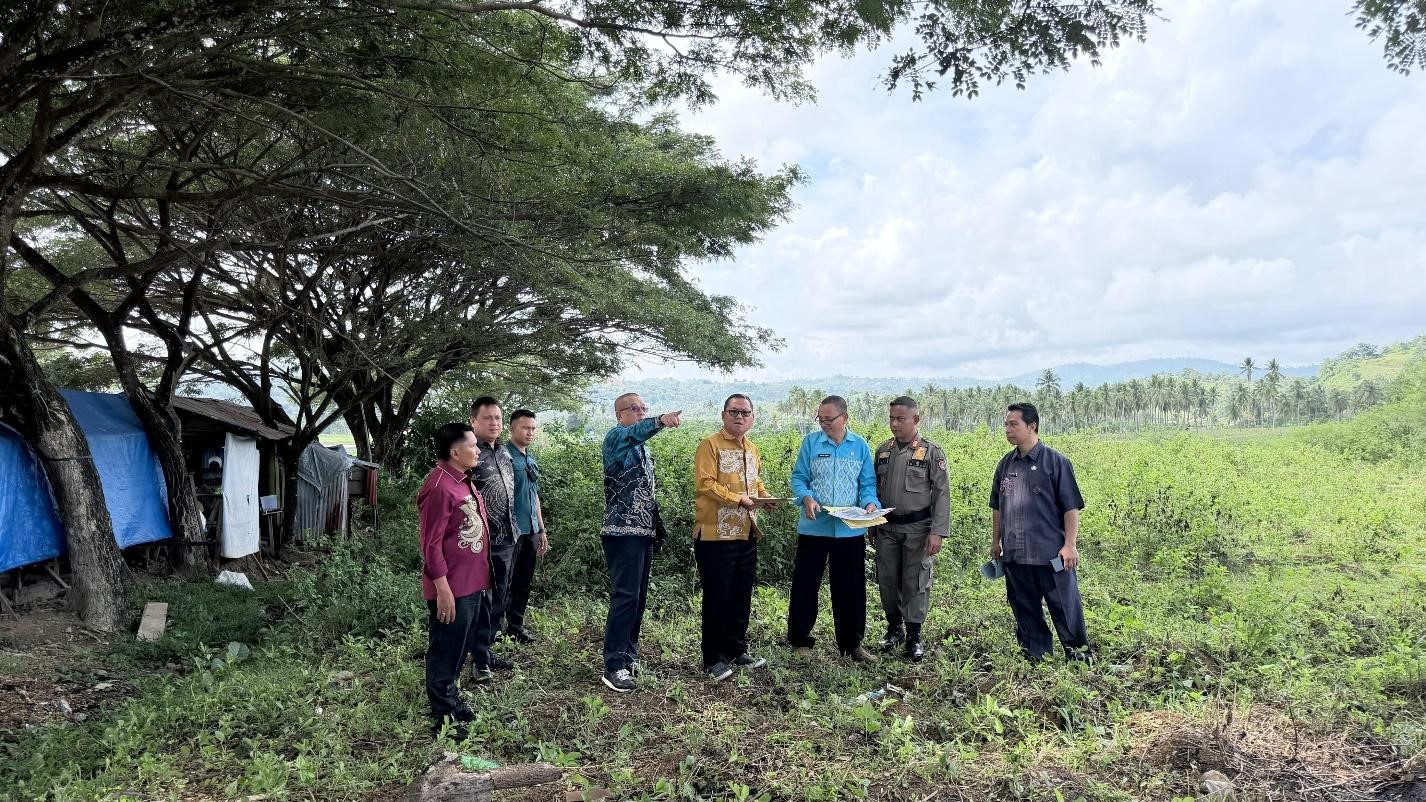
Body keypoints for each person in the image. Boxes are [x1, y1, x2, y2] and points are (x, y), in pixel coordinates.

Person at [989, 402, 1092, 662]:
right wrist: (996, 542)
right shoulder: (1005, 465)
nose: (1008, 430)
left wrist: (1070, 545)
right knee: (1025, 609)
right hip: (1015, 554)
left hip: (1051, 554)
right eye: (1006, 424)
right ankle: (1037, 659)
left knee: (1065, 608)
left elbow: (1071, 508)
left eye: (1014, 424)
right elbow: (998, 506)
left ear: (1032, 426)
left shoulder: (1056, 462)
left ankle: (1079, 659)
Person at [787, 395, 881, 662]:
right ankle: (800, 641)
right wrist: (806, 497)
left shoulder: (859, 446)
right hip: (814, 528)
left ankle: (852, 645)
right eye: (821, 419)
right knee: (806, 584)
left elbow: (867, 486)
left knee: (850, 588)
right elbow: (799, 478)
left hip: (849, 530)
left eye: (829, 419)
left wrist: (871, 505)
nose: (824, 424)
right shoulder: (811, 443)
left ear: (845, 418)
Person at [692, 394, 778, 681]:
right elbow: (705, 485)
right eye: (733, 412)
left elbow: (755, 483)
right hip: (716, 534)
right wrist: (737, 499)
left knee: (741, 594)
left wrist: (765, 497)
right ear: (723, 415)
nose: (739, 416)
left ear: (752, 417)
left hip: (746, 532)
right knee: (718, 596)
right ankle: (713, 658)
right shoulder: (710, 445)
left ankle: (736, 651)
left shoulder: (752, 448)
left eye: (744, 412)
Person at [599, 393, 682, 692]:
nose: (640, 412)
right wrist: (659, 420)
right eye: (635, 409)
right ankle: (614, 665)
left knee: (638, 597)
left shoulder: (641, 450)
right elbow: (636, 432)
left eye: (644, 409)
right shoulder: (617, 438)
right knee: (626, 597)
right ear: (620, 414)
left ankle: (629, 655)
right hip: (622, 532)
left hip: (643, 532)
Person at [417, 422, 491, 740]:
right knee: (445, 648)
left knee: (460, 646)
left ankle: (451, 698)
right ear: (454, 452)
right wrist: (442, 589)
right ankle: (442, 715)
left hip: (471, 582)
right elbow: (430, 545)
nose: (478, 450)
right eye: (473, 445)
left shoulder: (462, 480)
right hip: (451, 588)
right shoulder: (439, 487)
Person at [871, 396, 949, 662]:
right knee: (888, 580)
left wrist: (937, 531)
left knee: (915, 582)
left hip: (919, 529)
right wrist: (873, 524)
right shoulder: (883, 451)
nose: (894, 424)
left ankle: (914, 637)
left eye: (900, 419)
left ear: (916, 419)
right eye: (891, 418)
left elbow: (942, 494)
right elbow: (874, 491)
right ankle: (895, 629)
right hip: (887, 528)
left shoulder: (930, 452)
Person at [468, 396, 518, 681]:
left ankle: (486, 650)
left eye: (498, 418)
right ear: (474, 421)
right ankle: (479, 659)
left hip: (508, 535)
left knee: (500, 596)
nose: (494, 423)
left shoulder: (503, 452)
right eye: (488, 418)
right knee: (482, 600)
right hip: (482, 541)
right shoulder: (470, 453)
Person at [504, 409, 549, 644]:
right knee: (503, 582)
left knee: (523, 581)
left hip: (530, 530)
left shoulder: (530, 459)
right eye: (525, 427)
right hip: (510, 532)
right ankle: (491, 631)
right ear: (511, 428)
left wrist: (541, 529)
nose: (530, 432)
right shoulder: (504, 457)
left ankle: (515, 626)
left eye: (533, 428)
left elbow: (534, 496)